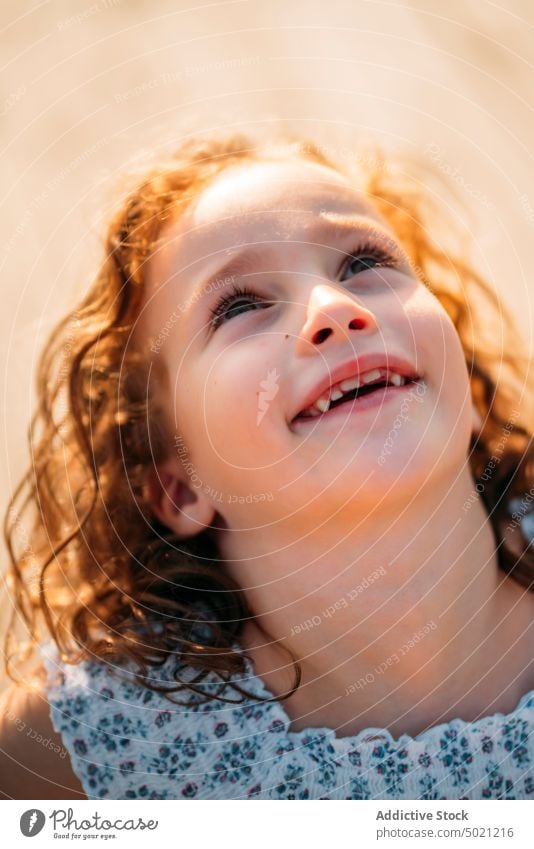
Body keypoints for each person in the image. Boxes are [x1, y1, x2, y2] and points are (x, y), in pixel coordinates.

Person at [1, 130, 533, 800]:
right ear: (179, 484)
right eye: (241, 306)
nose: (336, 309)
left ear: (472, 394)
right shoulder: (93, 748)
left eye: (364, 261)